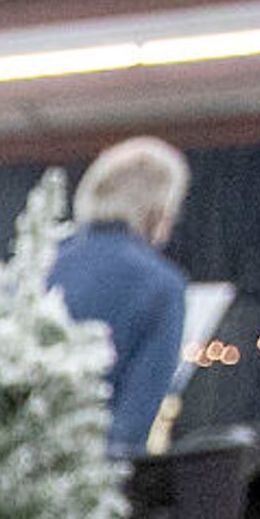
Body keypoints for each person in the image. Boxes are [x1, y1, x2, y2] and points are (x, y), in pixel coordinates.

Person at [50, 137, 191, 456]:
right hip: (82, 484)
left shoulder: (30, 267)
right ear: (161, 209)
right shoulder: (163, 286)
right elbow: (130, 428)